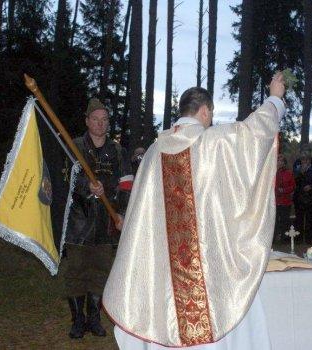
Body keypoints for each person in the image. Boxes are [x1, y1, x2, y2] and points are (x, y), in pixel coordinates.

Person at [102, 73, 286, 349]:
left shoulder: (154, 152)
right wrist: (275, 97)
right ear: (204, 110)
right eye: (210, 113)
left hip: (163, 268)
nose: (210, 119)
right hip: (208, 264)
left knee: (164, 316)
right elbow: (253, 132)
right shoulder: (212, 143)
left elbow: (142, 210)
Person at [61, 98, 133, 339]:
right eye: (95, 119)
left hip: (106, 222)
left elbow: (126, 184)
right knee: (76, 272)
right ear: (87, 121)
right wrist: (86, 187)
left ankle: (94, 318)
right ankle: (78, 320)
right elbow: (65, 179)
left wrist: (121, 212)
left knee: (101, 271)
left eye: (104, 120)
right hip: (78, 222)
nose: (100, 124)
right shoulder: (75, 147)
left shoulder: (118, 151)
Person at [293, 152, 312, 244]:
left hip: (311, 198)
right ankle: (299, 238)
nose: (304, 162)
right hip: (299, 198)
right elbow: (294, 183)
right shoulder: (296, 170)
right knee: (299, 219)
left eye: (306, 160)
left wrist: (311, 186)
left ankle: (309, 239)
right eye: (302, 160)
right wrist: (301, 173)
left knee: (310, 219)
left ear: (309, 161)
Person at [274, 154, 295, 242]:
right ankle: (273, 238)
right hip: (274, 201)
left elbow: (293, 186)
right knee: (274, 220)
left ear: (284, 163)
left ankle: (284, 238)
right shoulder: (271, 172)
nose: (280, 162)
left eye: (282, 161)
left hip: (285, 201)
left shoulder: (289, 173)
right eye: (278, 160)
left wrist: (284, 190)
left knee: (284, 219)